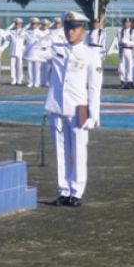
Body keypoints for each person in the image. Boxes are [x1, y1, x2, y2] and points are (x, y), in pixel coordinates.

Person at [45, 11, 102, 207]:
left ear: (82, 31)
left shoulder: (91, 54)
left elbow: (94, 87)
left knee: (78, 151)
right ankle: (63, 190)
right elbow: (31, 53)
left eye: (74, 28)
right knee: (60, 151)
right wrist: (52, 34)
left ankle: (76, 192)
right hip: (57, 106)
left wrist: (94, 115)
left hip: (80, 108)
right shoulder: (56, 49)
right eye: (67, 28)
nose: (70, 32)